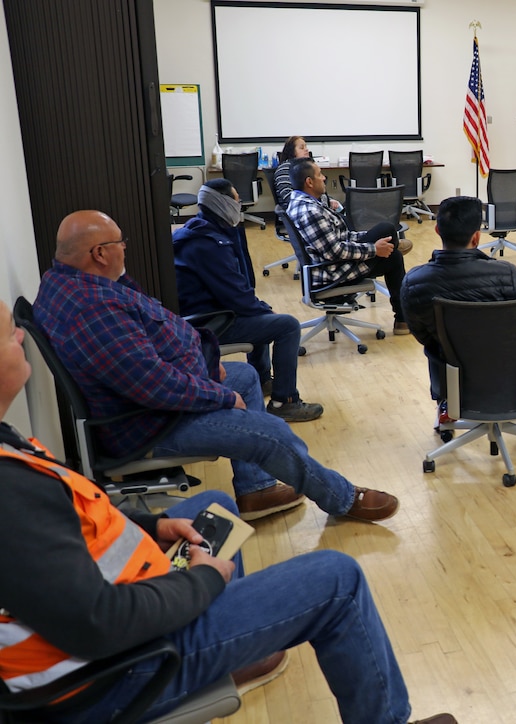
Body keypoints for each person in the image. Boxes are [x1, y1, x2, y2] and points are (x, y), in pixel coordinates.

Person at [0, 301, 456, 724]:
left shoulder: (9, 450)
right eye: (8, 335)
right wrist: (202, 580)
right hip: (113, 676)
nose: (21, 339)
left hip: (114, 622)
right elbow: (99, 626)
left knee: (214, 508)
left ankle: (232, 647)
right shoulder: (10, 491)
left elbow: (72, 516)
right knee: (339, 579)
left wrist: (151, 524)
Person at [34, 210, 399, 523]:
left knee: (245, 375)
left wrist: (205, 365)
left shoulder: (75, 282)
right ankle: (343, 498)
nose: (125, 247)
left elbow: (150, 344)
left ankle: (255, 490)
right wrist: (216, 396)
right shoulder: (93, 309)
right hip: (150, 424)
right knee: (273, 434)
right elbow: (154, 385)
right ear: (99, 253)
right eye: (119, 242)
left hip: (156, 404)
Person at [173, 178, 323, 423]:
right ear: (221, 204)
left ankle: (264, 380)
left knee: (260, 313)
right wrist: (263, 309)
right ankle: (284, 401)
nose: (239, 205)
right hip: (208, 324)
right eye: (235, 200)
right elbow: (236, 297)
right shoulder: (209, 245)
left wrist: (259, 308)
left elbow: (238, 291)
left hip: (202, 315)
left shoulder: (199, 230)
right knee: (286, 325)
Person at [401, 196, 516, 421]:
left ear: (437, 230)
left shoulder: (415, 282)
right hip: (512, 378)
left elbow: (423, 336)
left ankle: (448, 405)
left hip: (454, 378)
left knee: (436, 347)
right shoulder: (508, 274)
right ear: (476, 237)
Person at [287, 158, 411, 334]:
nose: (324, 178)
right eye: (320, 175)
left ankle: (402, 321)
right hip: (331, 273)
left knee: (391, 250)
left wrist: (369, 240)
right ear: (309, 182)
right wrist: (374, 249)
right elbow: (335, 251)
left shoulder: (302, 202)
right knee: (389, 235)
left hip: (330, 264)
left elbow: (340, 237)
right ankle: (403, 320)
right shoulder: (310, 212)